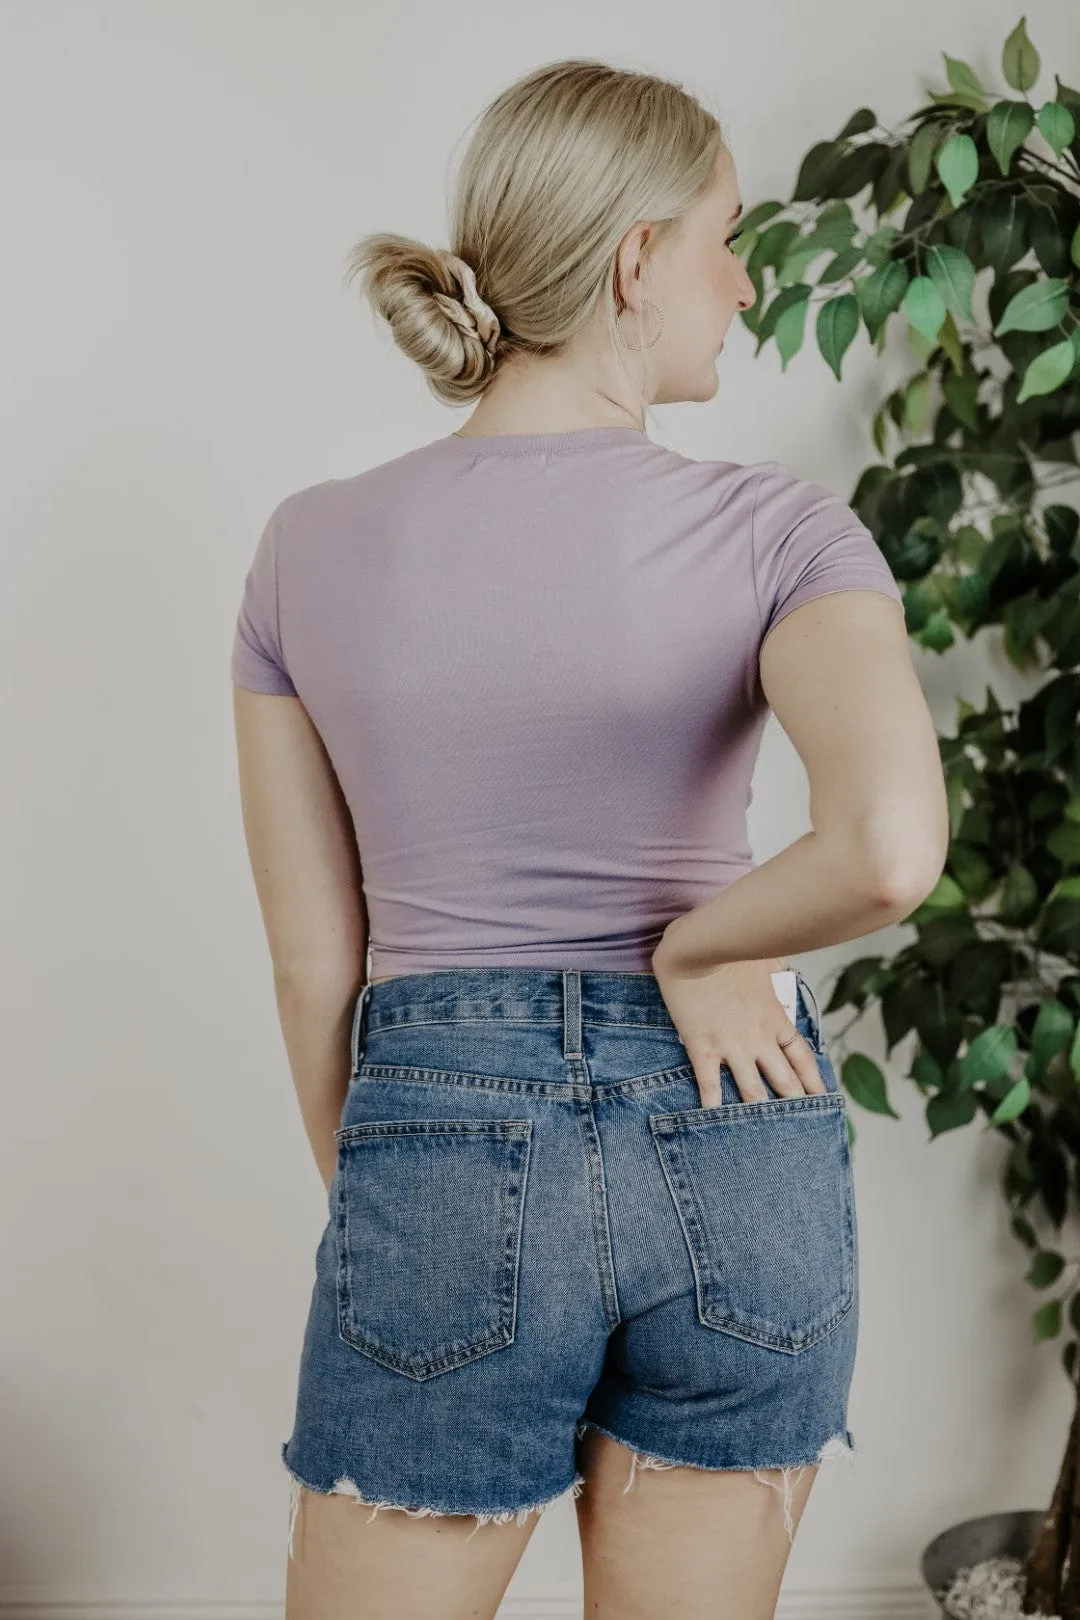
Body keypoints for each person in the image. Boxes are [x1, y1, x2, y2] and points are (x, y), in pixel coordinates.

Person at [231, 56, 948, 1620]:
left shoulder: (308, 545)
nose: (744, 279)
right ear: (636, 259)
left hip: (434, 1121)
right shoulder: (781, 530)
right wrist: (701, 944)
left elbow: (313, 962)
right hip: (736, 1112)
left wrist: (391, 1187)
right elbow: (890, 845)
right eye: (727, 234)